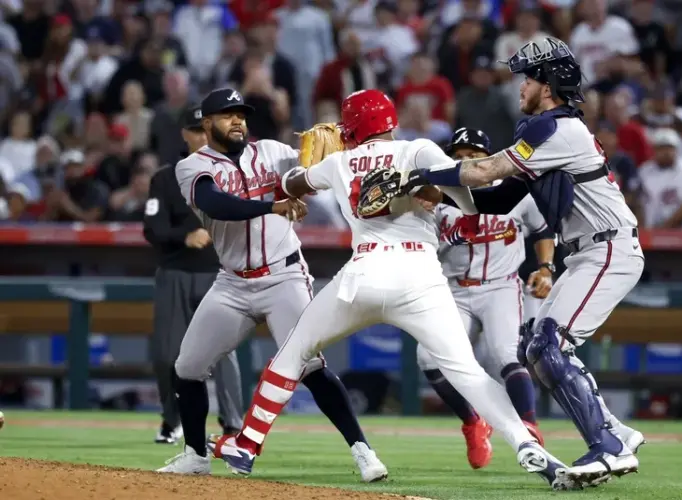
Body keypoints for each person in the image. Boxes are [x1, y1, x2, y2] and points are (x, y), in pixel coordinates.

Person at [208, 89, 579, 492]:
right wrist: (434, 190)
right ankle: (527, 444)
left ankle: (246, 445)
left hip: (364, 273)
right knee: (468, 373)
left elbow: (291, 182)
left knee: (295, 352)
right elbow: (470, 205)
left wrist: (307, 168)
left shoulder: (339, 161)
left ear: (350, 127)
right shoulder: (419, 150)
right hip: (421, 277)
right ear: (389, 123)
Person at [399, 36, 646, 488]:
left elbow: (485, 171)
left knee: (549, 344)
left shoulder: (554, 128)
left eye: (529, 77)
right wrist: (442, 192)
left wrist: (419, 174)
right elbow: (497, 199)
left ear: (549, 82)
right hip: (592, 249)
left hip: (608, 247)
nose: (520, 85)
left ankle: (607, 446)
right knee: (539, 347)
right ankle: (618, 433)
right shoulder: (545, 131)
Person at [157, 88, 387, 482]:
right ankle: (195, 454)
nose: (237, 121)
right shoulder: (191, 167)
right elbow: (216, 205)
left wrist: (332, 160)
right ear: (207, 123)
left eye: (241, 114)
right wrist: (273, 204)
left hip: (284, 277)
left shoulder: (273, 152)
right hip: (232, 284)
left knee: (310, 366)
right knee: (187, 367)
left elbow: (309, 178)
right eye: (227, 115)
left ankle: (363, 451)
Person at [415, 127, 555, 470]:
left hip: (500, 286)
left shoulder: (513, 192)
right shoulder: (438, 198)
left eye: (474, 155)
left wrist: (547, 267)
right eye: (459, 155)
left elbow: (542, 230)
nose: (465, 160)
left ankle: (528, 427)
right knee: (428, 359)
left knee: (506, 355)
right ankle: (472, 421)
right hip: (454, 288)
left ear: (488, 158)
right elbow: (422, 246)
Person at [142, 106, 244, 445]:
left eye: (206, 129)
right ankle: (173, 420)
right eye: (196, 130)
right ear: (185, 134)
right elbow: (152, 228)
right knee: (166, 355)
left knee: (224, 353)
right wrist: (184, 237)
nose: (202, 136)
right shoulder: (165, 177)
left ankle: (232, 427)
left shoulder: (230, 171)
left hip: (219, 273)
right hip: (175, 271)